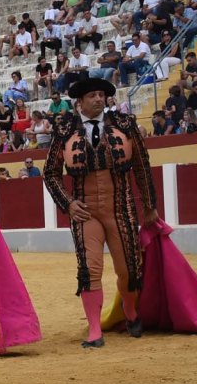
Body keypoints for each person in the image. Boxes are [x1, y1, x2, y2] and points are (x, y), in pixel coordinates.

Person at [43, 78, 158, 349]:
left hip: (121, 207)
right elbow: (50, 172)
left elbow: (141, 165)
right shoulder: (64, 129)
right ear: (79, 102)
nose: (98, 99)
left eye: (101, 95)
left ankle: (129, 310)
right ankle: (94, 328)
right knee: (89, 269)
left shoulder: (125, 124)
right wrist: (68, 204)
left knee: (128, 268)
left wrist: (149, 205)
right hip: (85, 212)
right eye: (92, 95)